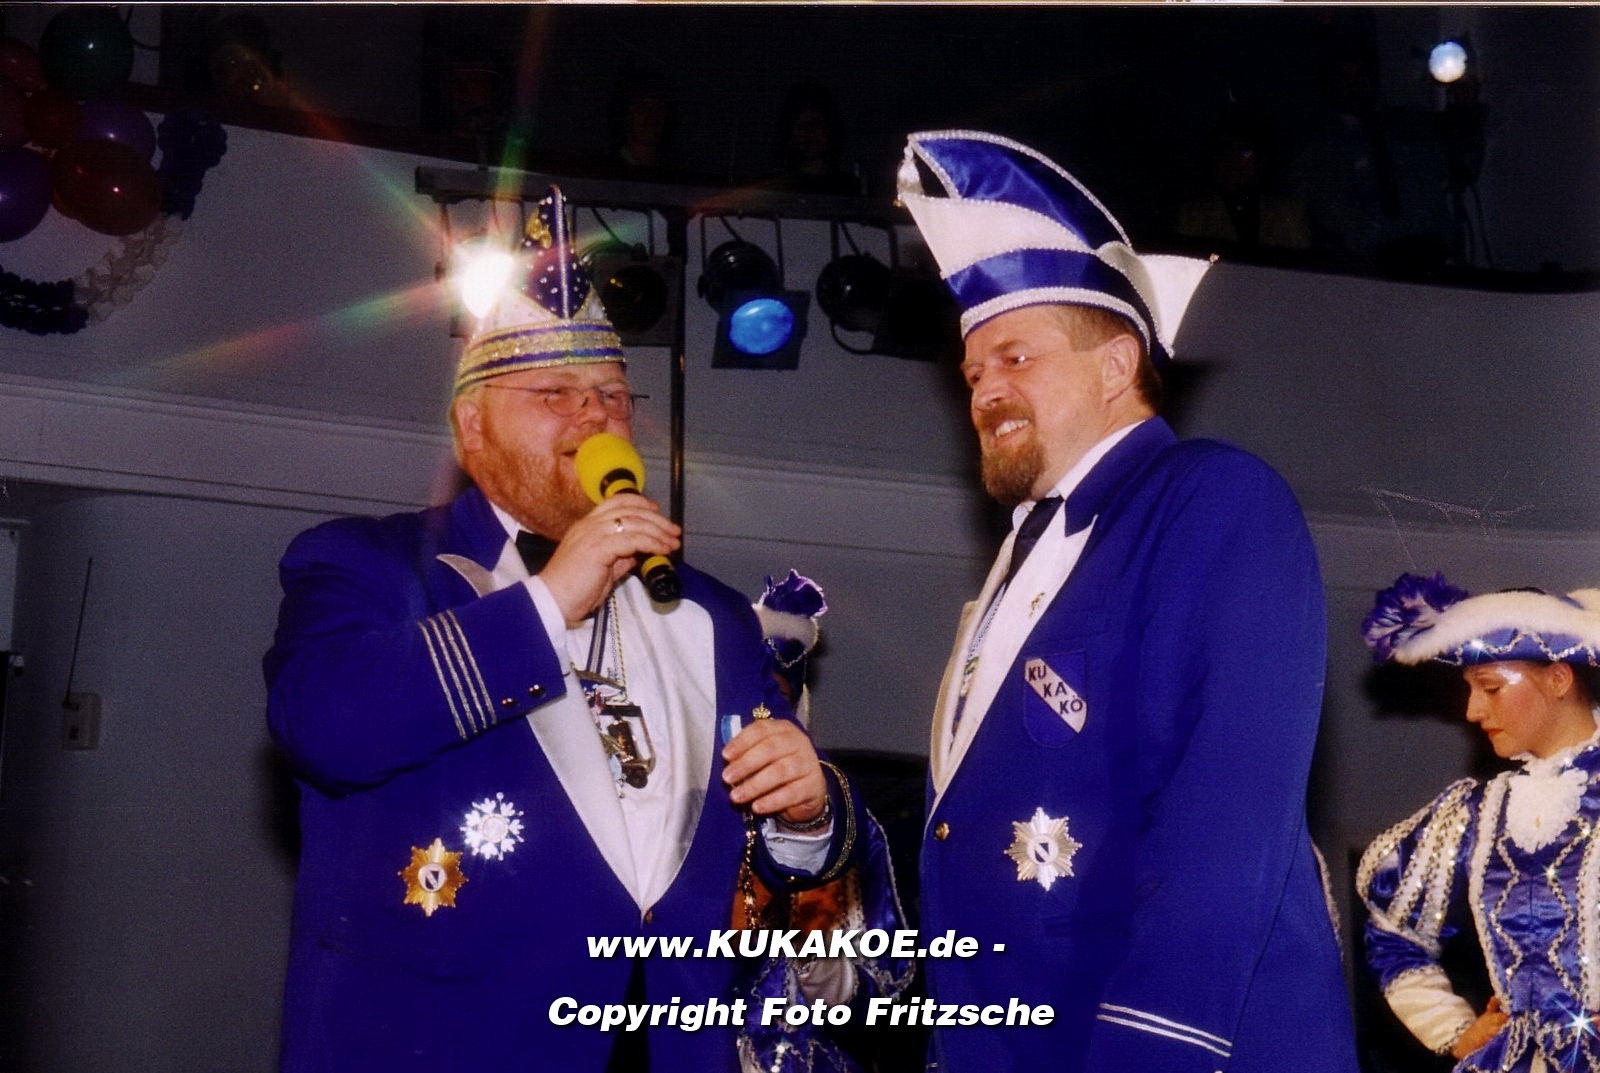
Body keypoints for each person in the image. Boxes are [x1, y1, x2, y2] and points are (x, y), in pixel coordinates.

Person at [263, 188, 860, 1073]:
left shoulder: (717, 617)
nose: (594, 415)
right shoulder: (368, 565)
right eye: (555, 393)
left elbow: (767, 888)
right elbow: (324, 726)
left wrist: (810, 820)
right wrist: (549, 602)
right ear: (471, 429)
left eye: (612, 395)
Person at [896, 130, 1358, 1073]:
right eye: (974, 373)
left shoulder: (1212, 498)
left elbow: (1225, 808)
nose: (985, 391)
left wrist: (1153, 1053)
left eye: (1016, 357)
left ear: (1116, 367)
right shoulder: (1020, 560)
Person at [1357, 573, 1600, 1072]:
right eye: (1471, 690)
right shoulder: (1477, 814)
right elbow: (1393, 930)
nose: (1472, 711)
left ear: (1558, 679)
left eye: (1490, 687)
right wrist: (1451, 1029)